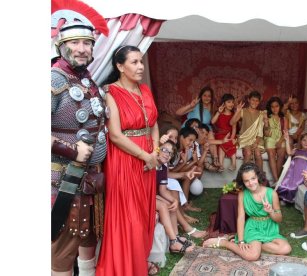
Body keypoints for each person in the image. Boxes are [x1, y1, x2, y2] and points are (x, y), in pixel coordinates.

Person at [95, 45, 159, 276]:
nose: (140, 66)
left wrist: (157, 151)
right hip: (124, 159)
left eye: (141, 61)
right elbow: (115, 135)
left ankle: (139, 260)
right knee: (128, 215)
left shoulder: (146, 90)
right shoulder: (111, 92)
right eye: (134, 62)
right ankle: (125, 267)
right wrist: (145, 155)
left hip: (149, 161)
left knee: (144, 213)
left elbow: (153, 123)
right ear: (120, 66)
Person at [51, 21, 107, 276]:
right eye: (75, 43)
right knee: (63, 249)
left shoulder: (86, 79)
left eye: (87, 43)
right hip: (64, 179)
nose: (82, 49)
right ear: (61, 47)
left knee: (88, 240)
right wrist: (71, 151)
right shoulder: (52, 79)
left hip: (91, 180)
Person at [202, 162, 291, 260]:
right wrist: (241, 241)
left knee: (286, 249)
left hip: (270, 227)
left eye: (253, 178)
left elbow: (279, 219)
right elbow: (240, 218)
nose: (251, 183)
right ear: (243, 182)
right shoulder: (242, 195)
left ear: (258, 176)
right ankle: (224, 242)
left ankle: (256, 246)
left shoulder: (272, 193)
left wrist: (270, 211)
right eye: (246, 181)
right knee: (252, 256)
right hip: (253, 228)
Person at [155, 140, 195, 254]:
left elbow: (162, 190)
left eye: (170, 153)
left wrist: (174, 200)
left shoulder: (162, 167)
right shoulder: (151, 164)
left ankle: (176, 236)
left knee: (172, 204)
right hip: (143, 195)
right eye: (164, 150)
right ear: (156, 149)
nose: (167, 154)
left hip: (153, 195)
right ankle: (173, 243)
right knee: (164, 205)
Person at [176, 86, 220, 168]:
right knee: (203, 134)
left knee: (209, 133)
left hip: (202, 129)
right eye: (204, 95)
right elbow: (178, 113)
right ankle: (206, 163)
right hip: (190, 129)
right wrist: (190, 105)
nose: (207, 98)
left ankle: (215, 160)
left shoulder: (212, 107)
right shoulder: (195, 105)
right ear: (201, 96)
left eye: (209, 96)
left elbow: (212, 121)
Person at [276, 131, 307, 204]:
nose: (306, 142)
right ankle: (283, 198)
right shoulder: (296, 150)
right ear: (300, 141)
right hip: (292, 170)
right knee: (286, 182)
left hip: (302, 172)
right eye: (304, 140)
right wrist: (287, 140)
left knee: (295, 184)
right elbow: (289, 152)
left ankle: (290, 198)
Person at [230, 91, 266, 170]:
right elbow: (231, 122)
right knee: (248, 153)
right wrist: (237, 111)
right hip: (244, 138)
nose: (254, 102)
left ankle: (260, 177)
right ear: (249, 100)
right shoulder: (243, 111)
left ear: (259, 102)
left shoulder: (261, 114)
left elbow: (260, 130)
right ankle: (243, 176)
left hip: (257, 139)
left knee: (258, 154)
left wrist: (256, 142)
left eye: (257, 101)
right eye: (253, 100)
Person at [263, 96, 288, 184]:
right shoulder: (267, 117)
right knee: (271, 153)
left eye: (276, 106)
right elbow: (266, 134)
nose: (274, 108)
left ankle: (276, 180)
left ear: (280, 106)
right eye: (272, 106)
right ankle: (276, 179)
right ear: (270, 107)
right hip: (270, 137)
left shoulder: (284, 118)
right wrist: (266, 122)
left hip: (281, 137)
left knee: (281, 154)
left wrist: (280, 141)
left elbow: (285, 131)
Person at [211, 93, 238, 172]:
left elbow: (234, 129)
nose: (231, 104)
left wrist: (232, 138)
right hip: (219, 135)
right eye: (229, 102)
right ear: (224, 103)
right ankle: (221, 165)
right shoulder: (219, 113)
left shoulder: (233, 115)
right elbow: (212, 122)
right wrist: (219, 112)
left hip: (229, 135)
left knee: (230, 142)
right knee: (221, 144)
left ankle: (234, 164)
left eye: (232, 102)